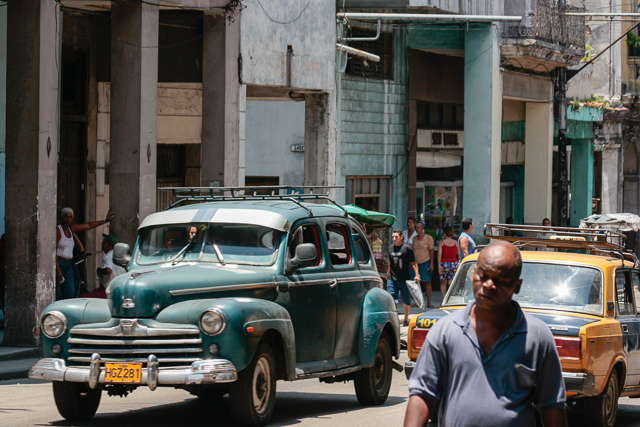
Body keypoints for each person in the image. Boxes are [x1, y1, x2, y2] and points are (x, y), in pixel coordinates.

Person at [405, 241, 567, 427]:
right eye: (482, 276)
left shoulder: (537, 337)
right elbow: (421, 395)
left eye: (500, 279)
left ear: (517, 285)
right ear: (473, 274)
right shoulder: (445, 332)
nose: (488, 284)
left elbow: (552, 405)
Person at [56, 207, 115, 300]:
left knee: (70, 291)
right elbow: (53, 250)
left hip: (69, 264)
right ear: (62, 217)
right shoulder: (58, 230)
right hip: (60, 263)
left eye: (70, 217)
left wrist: (105, 220)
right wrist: (57, 267)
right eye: (66, 217)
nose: (68, 220)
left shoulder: (71, 228)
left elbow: (88, 225)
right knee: (58, 291)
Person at [387, 230, 420, 326]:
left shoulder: (407, 249)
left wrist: (417, 274)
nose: (394, 239)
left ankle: (406, 318)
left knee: (406, 299)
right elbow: (389, 262)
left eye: (396, 237)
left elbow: (414, 262)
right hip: (392, 278)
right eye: (393, 237)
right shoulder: (390, 248)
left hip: (405, 278)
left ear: (401, 237)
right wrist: (387, 273)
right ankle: (392, 318)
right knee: (391, 298)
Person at [82, 234, 125, 299]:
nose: (102, 243)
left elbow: (108, 270)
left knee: (83, 298)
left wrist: (100, 271)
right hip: (119, 290)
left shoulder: (107, 256)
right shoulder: (121, 256)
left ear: (109, 246)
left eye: (104, 242)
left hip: (108, 291)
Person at [411, 221, 435, 308]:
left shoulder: (428, 238)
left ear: (422, 228)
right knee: (415, 283)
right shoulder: (414, 239)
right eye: (416, 228)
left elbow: (431, 251)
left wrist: (431, 264)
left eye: (418, 228)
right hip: (416, 263)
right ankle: (417, 302)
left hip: (425, 262)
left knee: (427, 283)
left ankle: (429, 302)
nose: (416, 229)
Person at [438, 225, 459, 299]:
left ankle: (443, 299)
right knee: (451, 281)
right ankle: (450, 299)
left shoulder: (442, 242)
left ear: (444, 234)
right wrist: (459, 263)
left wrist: (439, 264)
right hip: (454, 263)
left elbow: (439, 253)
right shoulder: (455, 242)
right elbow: (458, 254)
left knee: (443, 282)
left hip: (444, 263)